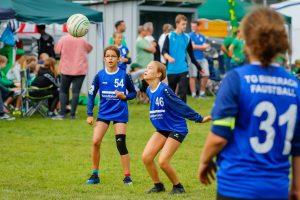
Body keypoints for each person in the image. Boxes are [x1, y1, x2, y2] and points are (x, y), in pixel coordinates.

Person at [198, 8, 300, 200]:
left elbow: (219, 135)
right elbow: (297, 143)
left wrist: (204, 161)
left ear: (247, 40)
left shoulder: (236, 79)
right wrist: (296, 186)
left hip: (236, 186)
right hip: (276, 188)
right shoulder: (294, 84)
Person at [142, 61, 211, 194]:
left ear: (158, 74)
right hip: (163, 128)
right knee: (146, 157)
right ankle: (158, 186)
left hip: (176, 128)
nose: (146, 70)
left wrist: (199, 118)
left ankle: (178, 187)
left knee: (163, 161)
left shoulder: (164, 90)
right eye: (146, 67)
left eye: (150, 68)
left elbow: (180, 105)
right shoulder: (149, 90)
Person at [86, 46, 137, 185]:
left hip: (120, 113)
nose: (110, 58)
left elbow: (134, 93)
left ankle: (127, 176)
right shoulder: (99, 75)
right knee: (95, 141)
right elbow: (91, 95)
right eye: (107, 56)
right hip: (104, 113)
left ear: (118, 59)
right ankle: (95, 175)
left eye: (113, 56)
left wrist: (124, 96)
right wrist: (90, 114)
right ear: (104, 58)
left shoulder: (124, 75)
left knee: (120, 143)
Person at [162, 14, 202, 103]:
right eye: (183, 24)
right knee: (171, 94)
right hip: (171, 70)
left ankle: (183, 113)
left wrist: (199, 67)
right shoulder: (169, 36)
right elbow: (164, 51)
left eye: (185, 24)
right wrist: (169, 58)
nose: (185, 26)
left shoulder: (187, 37)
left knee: (183, 93)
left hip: (183, 69)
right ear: (177, 24)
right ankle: (171, 112)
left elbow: (191, 55)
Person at [53, 34, 93, 120]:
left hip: (66, 68)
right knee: (76, 92)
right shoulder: (82, 40)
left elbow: (56, 51)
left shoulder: (63, 39)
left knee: (63, 91)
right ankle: (73, 115)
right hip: (80, 69)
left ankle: (62, 113)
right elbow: (90, 49)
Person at [189, 20, 210, 99]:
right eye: (192, 26)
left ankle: (202, 93)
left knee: (206, 74)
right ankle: (194, 94)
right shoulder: (190, 35)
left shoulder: (202, 36)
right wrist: (202, 47)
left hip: (202, 58)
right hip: (193, 59)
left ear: (198, 27)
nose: (193, 28)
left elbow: (205, 47)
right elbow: (192, 47)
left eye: (194, 26)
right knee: (193, 76)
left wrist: (201, 47)